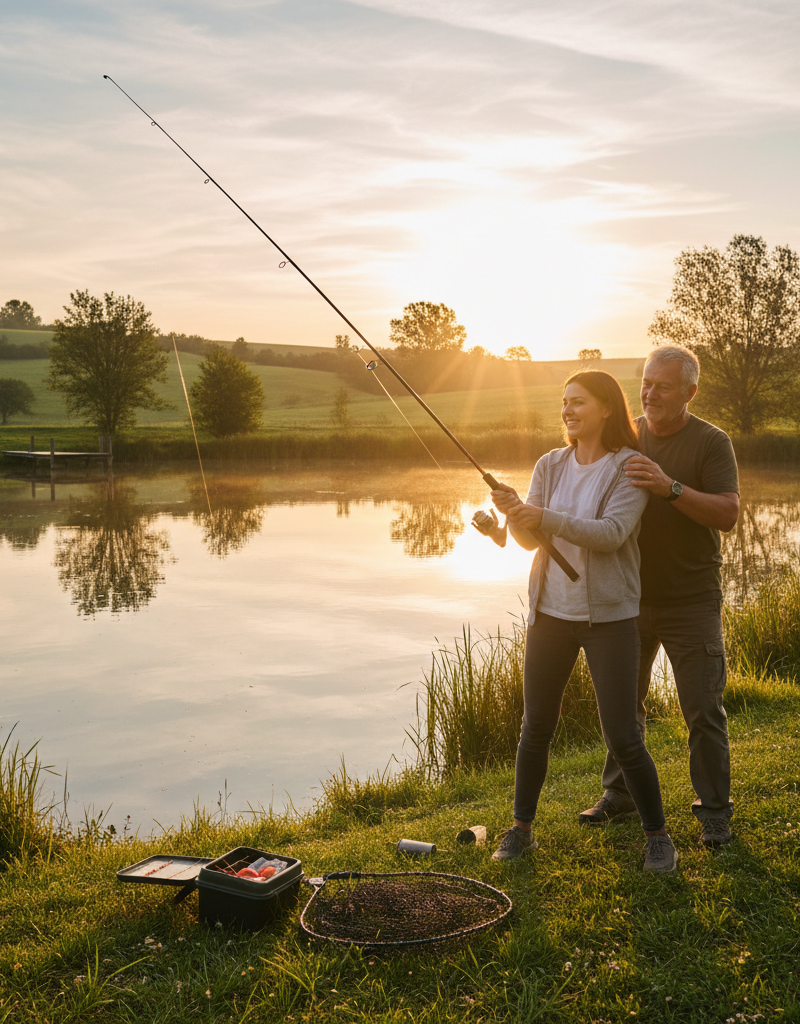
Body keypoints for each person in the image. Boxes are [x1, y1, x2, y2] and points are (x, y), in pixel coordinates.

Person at [475, 370, 677, 872]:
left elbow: (610, 534)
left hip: (609, 618)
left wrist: (538, 517)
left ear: (607, 407)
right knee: (535, 726)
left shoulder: (631, 467)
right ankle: (521, 829)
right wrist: (512, 519)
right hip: (549, 614)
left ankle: (658, 837)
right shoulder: (550, 463)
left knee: (623, 736)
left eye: (578, 402)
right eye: (564, 402)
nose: (567, 410)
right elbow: (530, 542)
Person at [579, 345, 739, 848]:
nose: (649, 393)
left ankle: (714, 811)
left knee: (702, 709)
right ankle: (620, 793)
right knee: (623, 707)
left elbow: (728, 514)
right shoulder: (625, 434)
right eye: (645, 383)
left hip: (691, 599)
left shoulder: (712, 442)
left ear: (690, 392)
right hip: (626, 598)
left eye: (662, 386)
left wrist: (670, 487)